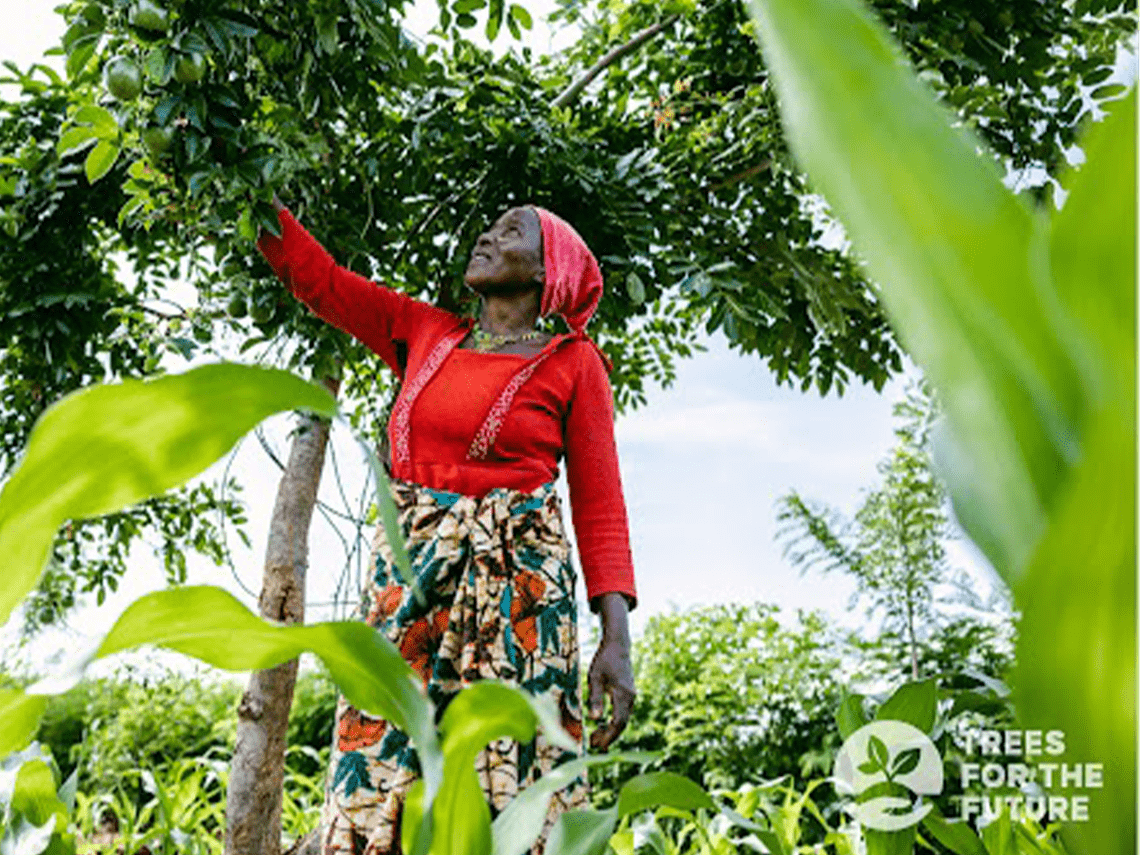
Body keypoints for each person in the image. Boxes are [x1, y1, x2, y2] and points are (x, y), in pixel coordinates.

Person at [256, 197, 639, 855]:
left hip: (520, 606)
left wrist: (617, 642)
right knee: (380, 763)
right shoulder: (424, 331)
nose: (487, 236)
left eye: (510, 231)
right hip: (405, 592)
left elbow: (600, 505)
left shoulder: (575, 363)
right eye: (489, 227)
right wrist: (250, 190)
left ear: (547, 271)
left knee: (507, 782)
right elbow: (320, 280)